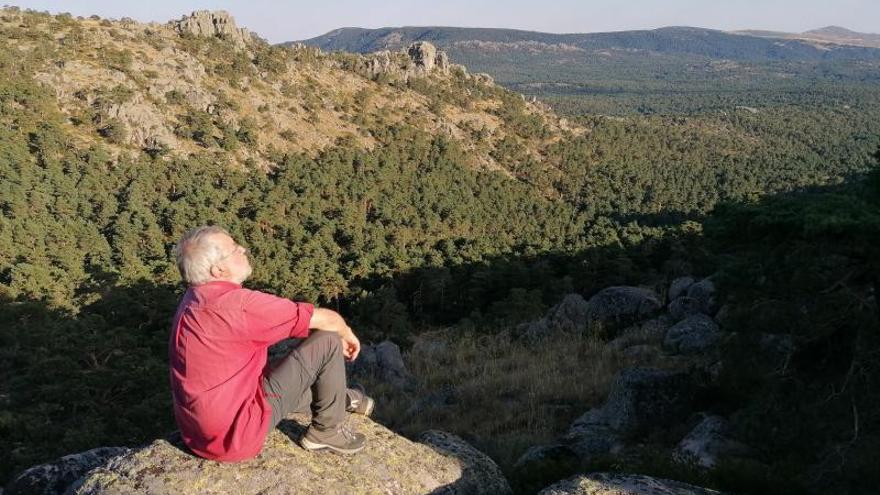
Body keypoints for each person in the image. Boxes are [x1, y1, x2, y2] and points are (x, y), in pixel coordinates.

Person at [168, 225, 372, 461]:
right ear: (218, 269)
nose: (243, 249)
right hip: (237, 436)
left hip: (199, 434)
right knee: (327, 342)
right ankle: (327, 432)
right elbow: (326, 319)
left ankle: (344, 399)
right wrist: (345, 332)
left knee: (272, 368)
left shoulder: (192, 301)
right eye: (234, 248)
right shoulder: (238, 305)